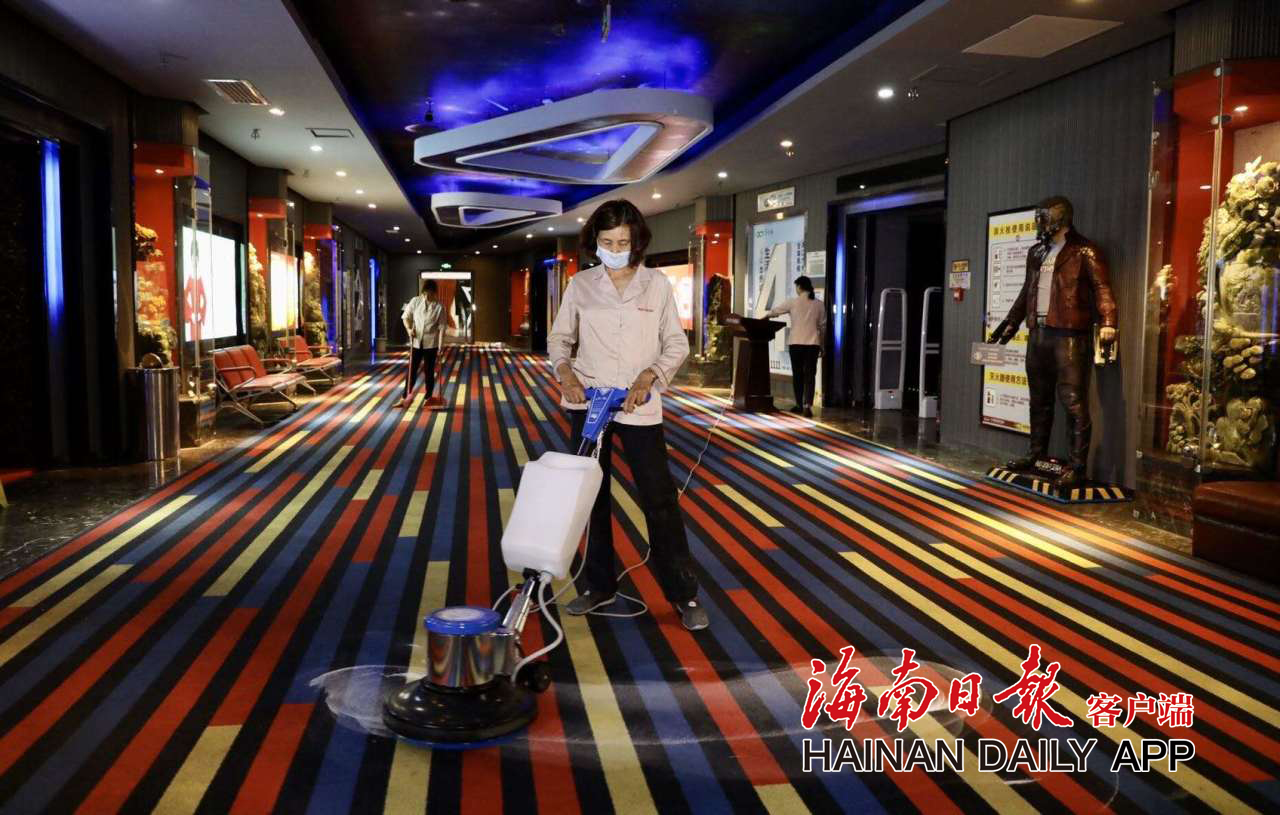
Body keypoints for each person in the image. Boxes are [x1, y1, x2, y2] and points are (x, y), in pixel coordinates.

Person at [548, 199, 707, 631]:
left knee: (659, 498)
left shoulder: (656, 285)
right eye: (608, 242)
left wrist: (650, 376)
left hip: (640, 405)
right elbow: (559, 339)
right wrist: (565, 372)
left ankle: (683, 592)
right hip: (589, 404)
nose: (616, 249)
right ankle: (599, 585)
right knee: (591, 497)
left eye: (623, 242)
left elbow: (676, 344)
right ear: (595, 242)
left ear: (637, 241)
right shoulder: (581, 285)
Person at [988, 195, 1117, 487]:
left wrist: (1109, 322)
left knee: (1073, 402)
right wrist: (1010, 325)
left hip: (1068, 335)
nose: (1039, 223)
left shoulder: (1085, 251)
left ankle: (1077, 467)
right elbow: (1027, 292)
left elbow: (1102, 288)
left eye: (1043, 218)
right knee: (1039, 400)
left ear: (1060, 219)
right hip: (1039, 334)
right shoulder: (1036, 253)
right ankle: (1036, 455)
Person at [764, 275, 826, 417]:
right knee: (810, 375)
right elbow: (823, 327)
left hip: (796, 343)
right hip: (812, 344)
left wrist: (766, 316)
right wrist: (822, 345)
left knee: (798, 375)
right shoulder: (819, 304)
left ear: (799, 287)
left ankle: (799, 404)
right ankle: (807, 405)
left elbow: (776, 311)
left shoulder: (793, 302)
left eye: (796, 287)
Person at [396, 279, 443, 409]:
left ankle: (428, 397)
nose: (427, 297)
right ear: (423, 292)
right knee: (411, 370)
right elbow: (405, 317)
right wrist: (409, 330)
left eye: (430, 294)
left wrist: (440, 346)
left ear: (435, 293)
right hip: (416, 342)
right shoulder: (415, 301)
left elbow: (442, 328)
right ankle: (405, 397)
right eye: (425, 294)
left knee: (429, 372)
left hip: (431, 344)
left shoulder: (439, 307)